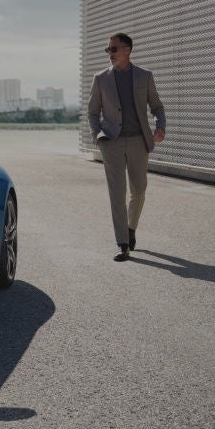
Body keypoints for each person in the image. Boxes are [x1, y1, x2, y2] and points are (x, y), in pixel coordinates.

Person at [88, 32, 166, 262]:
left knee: (139, 190)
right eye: (108, 50)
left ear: (127, 50)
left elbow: (157, 106)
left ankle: (131, 228)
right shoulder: (100, 78)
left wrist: (160, 126)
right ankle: (122, 243)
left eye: (113, 49)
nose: (109, 54)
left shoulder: (144, 76)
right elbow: (93, 112)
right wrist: (98, 136)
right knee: (117, 193)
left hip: (138, 141)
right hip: (111, 142)